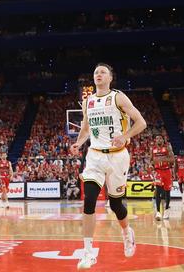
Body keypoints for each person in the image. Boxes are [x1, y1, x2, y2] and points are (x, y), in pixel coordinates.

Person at [70, 63, 147, 270]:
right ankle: (87, 253)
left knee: (115, 205)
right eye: (96, 72)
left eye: (103, 72)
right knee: (89, 201)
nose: (98, 75)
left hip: (117, 157)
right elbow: (86, 129)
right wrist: (78, 142)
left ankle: (126, 232)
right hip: (94, 156)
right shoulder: (88, 101)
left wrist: (125, 136)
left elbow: (141, 122)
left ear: (110, 78)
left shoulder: (119, 97)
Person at [151, 135, 174, 220]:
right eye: (157, 138)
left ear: (163, 140)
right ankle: (158, 212)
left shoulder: (167, 148)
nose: (158, 140)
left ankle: (167, 210)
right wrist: (153, 165)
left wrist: (163, 159)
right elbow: (151, 160)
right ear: (155, 140)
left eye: (160, 138)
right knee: (158, 190)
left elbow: (172, 160)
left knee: (167, 192)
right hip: (158, 171)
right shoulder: (153, 149)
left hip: (167, 171)